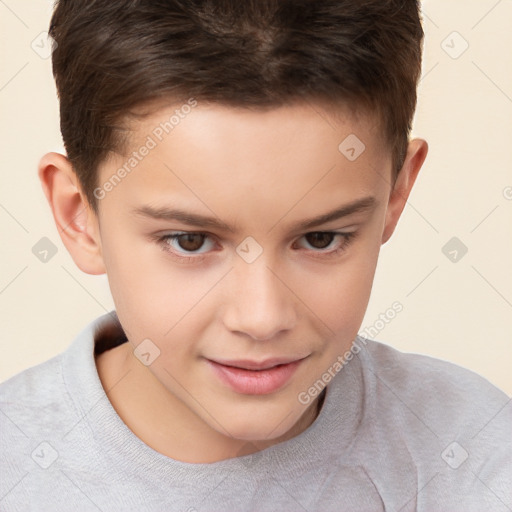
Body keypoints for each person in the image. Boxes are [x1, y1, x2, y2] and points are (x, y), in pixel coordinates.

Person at [1, 1, 510, 510]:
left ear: (395, 194)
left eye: (320, 239)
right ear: (78, 215)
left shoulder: (474, 452)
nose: (262, 319)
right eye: (191, 241)